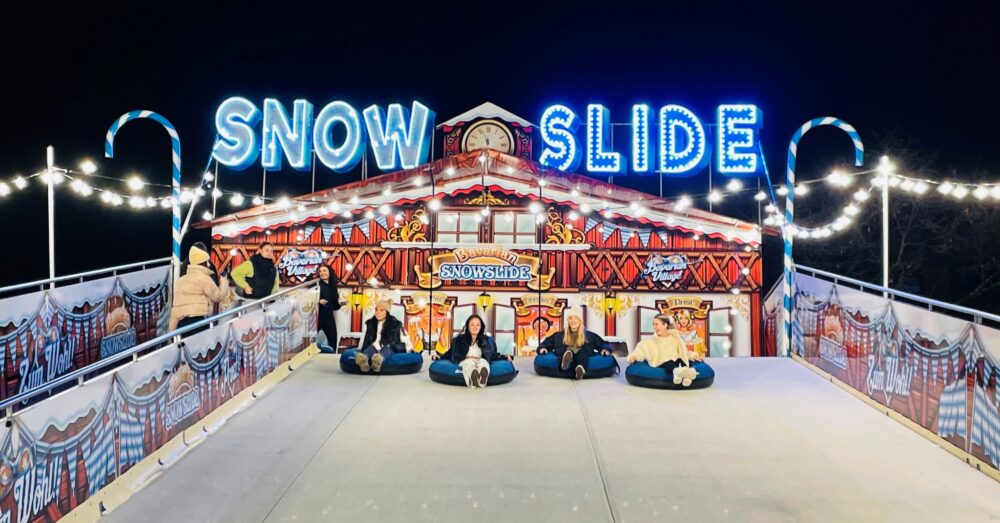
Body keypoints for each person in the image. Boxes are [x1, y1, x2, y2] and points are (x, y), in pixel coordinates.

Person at [434, 314, 512, 388]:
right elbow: (451, 353)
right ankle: (473, 377)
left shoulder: (487, 340)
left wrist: (504, 357)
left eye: (478, 325)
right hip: (465, 360)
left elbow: (493, 355)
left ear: (481, 327)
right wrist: (440, 356)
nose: (475, 327)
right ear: (468, 326)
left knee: (484, 363)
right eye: (472, 325)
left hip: (480, 359)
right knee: (469, 364)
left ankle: (482, 377)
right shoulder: (459, 339)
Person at [169, 245, 230, 332]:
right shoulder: (203, 278)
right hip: (197, 322)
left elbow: (175, 309)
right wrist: (224, 283)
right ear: (202, 262)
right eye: (207, 261)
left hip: (181, 325)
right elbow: (217, 297)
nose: (209, 264)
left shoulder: (181, 280)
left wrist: (171, 331)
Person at [627, 314, 700, 387]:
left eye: (656, 324)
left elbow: (683, 352)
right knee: (670, 363)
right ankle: (679, 373)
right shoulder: (651, 342)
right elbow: (640, 350)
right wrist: (633, 356)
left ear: (665, 325)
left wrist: (693, 355)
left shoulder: (675, 339)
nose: (654, 327)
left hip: (676, 362)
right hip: (663, 363)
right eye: (653, 324)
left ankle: (687, 377)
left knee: (680, 360)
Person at [537, 308, 609, 380]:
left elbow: (602, 343)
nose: (573, 321)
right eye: (570, 318)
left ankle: (580, 369)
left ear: (580, 321)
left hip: (582, 356)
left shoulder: (590, 336)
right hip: (565, 355)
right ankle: (566, 364)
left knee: (581, 353)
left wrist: (605, 349)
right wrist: (543, 347)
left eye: (576, 318)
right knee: (568, 352)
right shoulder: (559, 335)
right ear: (568, 321)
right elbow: (548, 342)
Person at [356, 300, 412, 373]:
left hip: (389, 346)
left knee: (387, 349)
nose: (378, 313)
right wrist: (359, 348)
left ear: (387, 312)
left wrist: (409, 348)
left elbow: (405, 338)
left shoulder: (396, 324)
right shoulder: (370, 323)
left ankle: (378, 359)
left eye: (381, 310)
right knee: (371, 347)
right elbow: (364, 338)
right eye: (376, 310)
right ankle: (363, 360)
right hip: (375, 346)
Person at [316, 265, 345, 350]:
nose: (322, 273)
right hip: (317, 318)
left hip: (329, 318)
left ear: (329, 272)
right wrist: (318, 301)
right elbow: (308, 300)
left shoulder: (333, 287)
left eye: (324, 270)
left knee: (333, 341)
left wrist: (340, 304)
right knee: (311, 342)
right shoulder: (317, 285)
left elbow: (335, 307)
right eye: (320, 271)